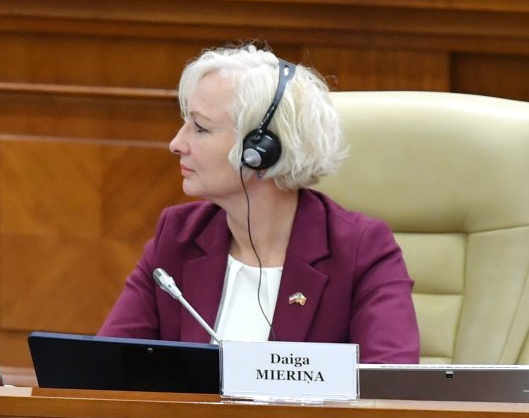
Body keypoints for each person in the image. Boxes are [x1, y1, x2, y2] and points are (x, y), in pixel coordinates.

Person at [100, 44, 419, 361]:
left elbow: (391, 383)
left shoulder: (361, 251)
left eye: (200, 127)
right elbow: (106, 366)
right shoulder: (179, 236)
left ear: (261, 150)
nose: (176, 143)